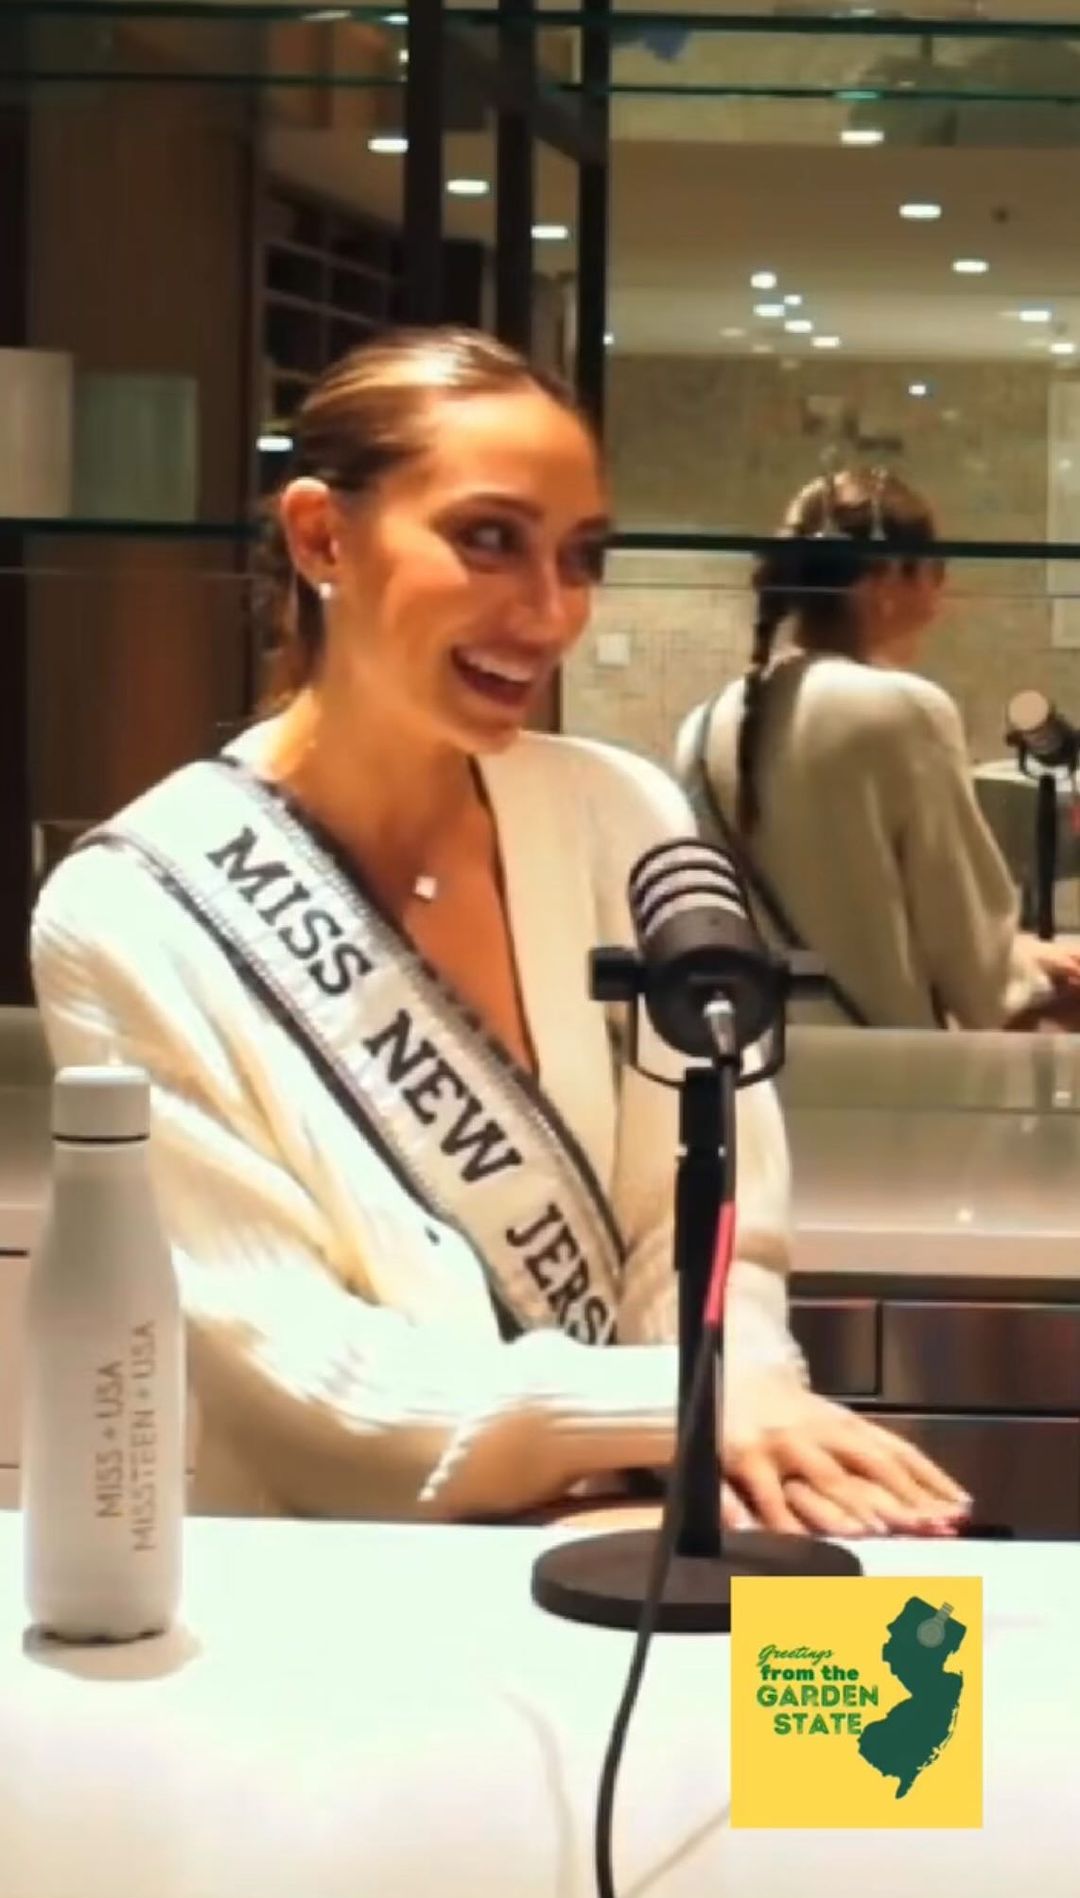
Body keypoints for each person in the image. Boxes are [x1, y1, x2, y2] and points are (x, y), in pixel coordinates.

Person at [31, 333, 968, 1538]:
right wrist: (677, 1404)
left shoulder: (625, 816)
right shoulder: (135, 911)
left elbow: (711, 1222)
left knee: (912, 1667)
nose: (550, 611)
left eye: (581, 557)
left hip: (656, 1526)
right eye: (487, 540)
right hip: (345, 1587)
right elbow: (297, 1376)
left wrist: (716, 1429)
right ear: (322, 538)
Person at [675, 468, 1080, 1029]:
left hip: (746, 1061)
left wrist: (1021, 953)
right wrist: (1031, 975)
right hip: (878, 1068)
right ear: (886, 576)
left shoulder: (703, 724)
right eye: (935, 568)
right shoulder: (904, 710)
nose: (942, 592)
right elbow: (972, 963)